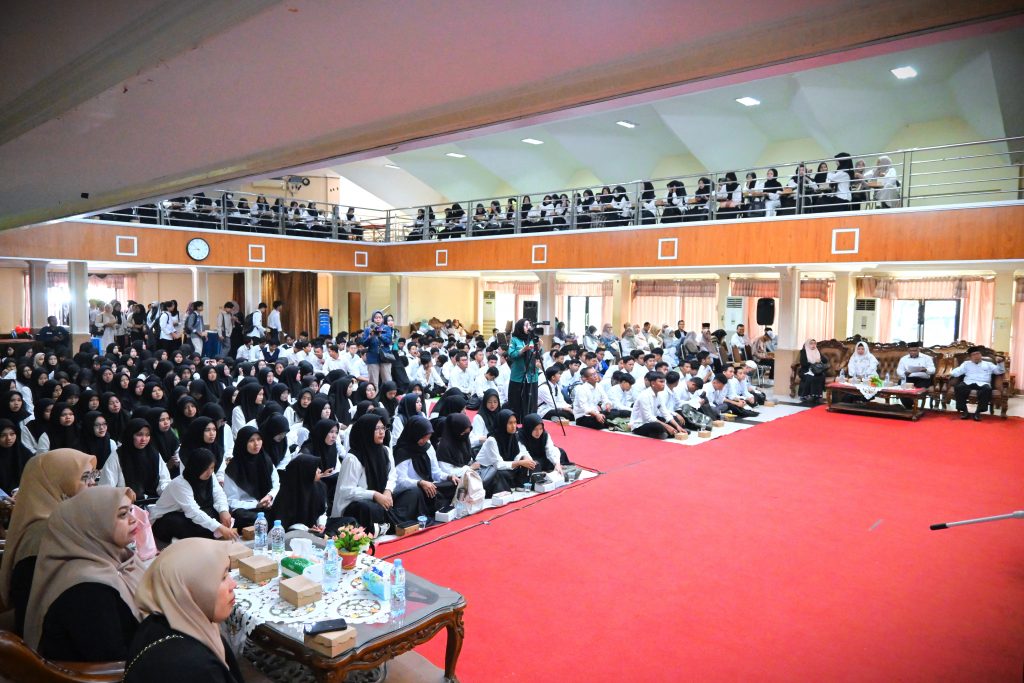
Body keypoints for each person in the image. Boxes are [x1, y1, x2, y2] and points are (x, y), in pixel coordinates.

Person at [24, 486, 143, 660]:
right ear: (93, 525)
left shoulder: (118, 559)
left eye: (130, 511)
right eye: (123, 514)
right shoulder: (88, 588)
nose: (133, 520)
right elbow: (110, 660)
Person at [0, 449, 98, 636]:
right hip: (50, 642)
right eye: (85, 477)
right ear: (57, 483)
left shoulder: (59, 523)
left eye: (92, 476)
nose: (92, 483)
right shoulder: (45, 533)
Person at [125, 538, 244, 683]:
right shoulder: (195, 668)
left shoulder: (157, 622)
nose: (234, 584)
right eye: (223, 577)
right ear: (189, 589)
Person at [331, 414, 400, 536]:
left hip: (380, 497)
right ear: (366, 431)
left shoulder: (385, 451)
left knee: (411, 494)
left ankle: (381, 525)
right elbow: (346, 491)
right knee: (368, 508)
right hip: (354, 505)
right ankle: (378, 527)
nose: (381, 432)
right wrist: (374, 495)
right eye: (376, 429)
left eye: (383, 428)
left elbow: (392, 475)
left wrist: (388, 491)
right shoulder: (353, 458)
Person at [149, 448, 236, 542]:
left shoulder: (210, 476)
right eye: (205, 468)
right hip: (167, 519)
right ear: (196, 467)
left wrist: (223, 511)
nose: (209, 472)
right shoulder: (179, 484)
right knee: (178, 523)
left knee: (226, 511)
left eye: (212, 468)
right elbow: (193, 511)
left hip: (189, 513)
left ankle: (210, 532)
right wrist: (220, 527)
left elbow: (219, 494)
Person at [393, 415, 457, 519]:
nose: (425, 441)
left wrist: (449, 477)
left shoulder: (428, 447)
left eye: (427, 437)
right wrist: (420, 483)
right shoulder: (402, 452)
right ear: (415, 434)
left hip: (429, 486)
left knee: (453, 484)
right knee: (418, 492)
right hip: (413, 489)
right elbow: (400, 481)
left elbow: (436, 473)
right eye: (422, 437)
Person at [100, 418, 171, 502]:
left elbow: (164, 481)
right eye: (139, 434)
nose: (144, 439)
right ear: (130, 435)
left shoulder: (154, 454)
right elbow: (107, 488)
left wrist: (168, 493)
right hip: (126, 505)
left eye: (147, 435)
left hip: (155, 502)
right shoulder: (118, 456)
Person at [223, 425, 279, 528]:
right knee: (242, 516)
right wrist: (256, 504)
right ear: (243, 443)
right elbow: (231, 501)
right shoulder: (233, 468)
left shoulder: (266, 460)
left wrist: (269, 496)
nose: (256, 444)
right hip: (247, 509)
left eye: (259, 439)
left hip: (267, 504)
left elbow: (276, 485)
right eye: (251, 441)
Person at [476, 409, 534, 488]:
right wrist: (520, 462)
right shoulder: (492, 440)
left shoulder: (514, 436)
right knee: (501, 474)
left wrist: (524, 458)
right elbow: (498, 465)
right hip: (489, 470)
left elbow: (521, 451)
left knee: (532, 464)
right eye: (510, 423)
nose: (514, 426)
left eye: (515, 422)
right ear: (503, 424)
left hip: (506, 466)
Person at [269, 453, 327, 531]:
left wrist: (321, 524)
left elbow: (321, 511)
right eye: (315, 468)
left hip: (315, 529)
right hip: (294, 532)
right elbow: (282, 524)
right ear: (305, 471)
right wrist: (307, 530)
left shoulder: (319, 486)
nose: (319, 470)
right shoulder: (287, 494)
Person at [949, 346, 1005, 422]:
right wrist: (950, 374)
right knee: (959, 387)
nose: (977, 356)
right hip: (969, 382)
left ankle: (978, 412)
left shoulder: (988, 364)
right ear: (970, 357)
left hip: (983, 383)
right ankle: (965, 411)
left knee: (987, 389)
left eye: (978, 354)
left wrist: (1000, 363)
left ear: (981, 355)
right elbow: (957, 371)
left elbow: (999, 371)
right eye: (974, 355)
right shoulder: (966, 364)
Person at [629, 371, 688, 439]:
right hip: (640, 425)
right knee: (658, 426)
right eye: (661, 382)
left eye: (664, 382)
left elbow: (665, 412)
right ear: (653, 383)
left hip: (653, 420)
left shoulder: (659, 394)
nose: (663, 384)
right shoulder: (644, 395)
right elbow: (648, 417)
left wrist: (677, 426)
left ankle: (667, 432)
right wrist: (667, 426)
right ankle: (664, 433)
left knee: (673, 421)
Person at [506, 318, 540, 421]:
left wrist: (539, 347)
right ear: (520, 327)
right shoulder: (515, 339)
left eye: (529, 325)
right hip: (518, 376)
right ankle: (516, 422)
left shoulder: (533, 339)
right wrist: (523, 350)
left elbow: (538, 354)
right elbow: (511, 354)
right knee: (516, 402)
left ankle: (531, 421)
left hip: (532, 375)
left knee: (531, 401)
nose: (528, 327)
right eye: (526, 325)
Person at [896, 341, 936, 409]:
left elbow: (933, 370)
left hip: (923, 379)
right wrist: (904, 373)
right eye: (911, 351)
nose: (913, 352)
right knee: (902, 386)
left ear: (919, 350)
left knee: (917, 390)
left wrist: (925, 370)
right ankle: (909, 407)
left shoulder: (927, 358)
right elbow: (899, 370)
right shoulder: (903, 359)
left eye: (915, 350)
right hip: (909, 378)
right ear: (908, 351)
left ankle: (915, 407)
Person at [361, 309, 394, 388]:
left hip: (385, 356)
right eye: (376, 317)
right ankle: (373, 399)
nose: (378, 319)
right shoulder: (367, 329)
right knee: (373, 382)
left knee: (387, 380)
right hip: (372, 357)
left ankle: (387, 399)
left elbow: (388, 341)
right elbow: (364, 344)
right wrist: (370, 336)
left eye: (380, 317)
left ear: (382, 319)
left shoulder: (386, 328)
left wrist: (380, 335)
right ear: (373, 319)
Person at [798, 339, 828, 404]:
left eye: (814, 343)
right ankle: (805, 395)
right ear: (807, 344)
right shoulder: (803, 352)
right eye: (811, 343)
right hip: (806, 370)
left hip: (816, 370)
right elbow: (803, 364)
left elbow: (825, 360)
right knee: (811, 376)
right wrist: (813, 363)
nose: (813, 345)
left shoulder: (817, 351)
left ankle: (817, 396)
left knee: (821, 376)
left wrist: (820, 359)